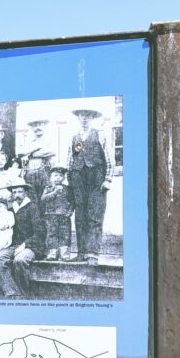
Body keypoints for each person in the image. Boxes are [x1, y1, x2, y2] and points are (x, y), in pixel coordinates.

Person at [67, 108, 114, 265]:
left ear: (93, 118)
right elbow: (72, 158)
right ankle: (81, 253)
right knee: (80, 216)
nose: (84, 119)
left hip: (96, 181)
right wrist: (70, 180)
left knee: (94, 216)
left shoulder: (99, 135)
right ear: (78, 118)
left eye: (88, 116)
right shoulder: (77, 138)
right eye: (82, 116)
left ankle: (92, 253)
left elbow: (109, 160)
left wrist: (107, 179)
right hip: (78, 181)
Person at [5, 181, 46, 296]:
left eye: (20, 192)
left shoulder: (32, 207)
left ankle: (23, 294)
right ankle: (11, 291)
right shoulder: (10, 210)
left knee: (20, 260)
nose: (17, 195)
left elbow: (40, 232)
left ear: (25, 193)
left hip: (32, 245)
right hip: (14, 245)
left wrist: (24, 245)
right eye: (14, 192)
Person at [18, 119, 56, 205]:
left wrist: (31, 153)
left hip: (45, 173)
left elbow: (52, 151)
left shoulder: (50, 140)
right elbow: (20, 153)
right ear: (31, 128)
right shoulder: (28, 141)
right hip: (29, 173)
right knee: (31, 201)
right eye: (35, 125)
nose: (38, 127)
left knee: (45, 199)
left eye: (40, 125)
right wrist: (37, 147)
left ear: (45, 126)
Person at [41, 166, 74, 261]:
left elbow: (72, 201)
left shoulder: (67, 189)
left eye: (60, 175)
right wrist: (54, 192)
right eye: (55, 175)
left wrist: (70, 211)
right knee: (52, 234)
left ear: (64, 178)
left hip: (64, 216)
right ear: (50, 177)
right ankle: (52, 253)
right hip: (51, 215)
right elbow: (43, 199)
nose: (58, 177)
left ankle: (64, 254)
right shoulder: (48, 188)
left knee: (65, 234)